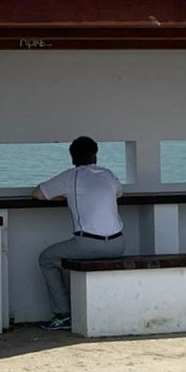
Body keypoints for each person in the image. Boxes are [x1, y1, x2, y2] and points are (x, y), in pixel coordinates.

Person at [33, 135, 124, 330]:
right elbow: (118, 192)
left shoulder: (71, 177)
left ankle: (63, 315)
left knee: (47, 259)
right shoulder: (108, 174)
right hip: (118, 244)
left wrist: (65, 197)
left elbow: (38, 194)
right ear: (95, 155)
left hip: (88, 244)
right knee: (65, 258)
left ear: (72, 157)